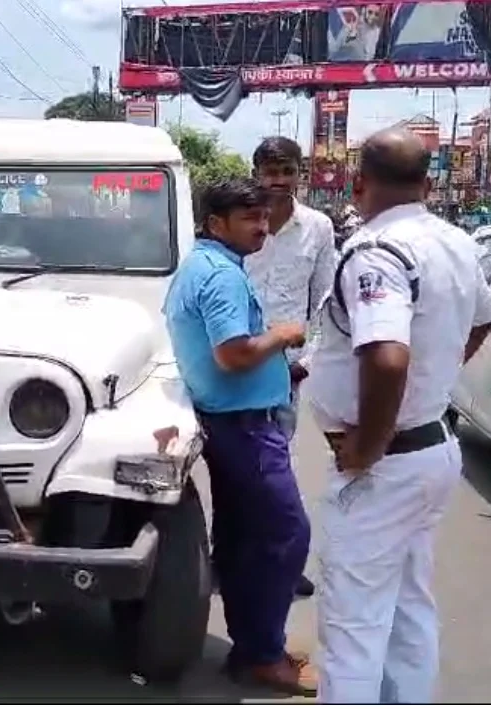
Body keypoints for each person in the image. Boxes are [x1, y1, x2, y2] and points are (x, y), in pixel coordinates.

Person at [305, 128, 491, 703]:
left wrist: (367, 444)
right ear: (427, 183)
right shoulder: (455, 242)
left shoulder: (377, 253)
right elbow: (484, 319)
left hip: (386, 467)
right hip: (431, 451)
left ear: (359, 183)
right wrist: (435, 375)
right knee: (409, 609)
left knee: (353, 632)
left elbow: (387, 360)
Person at [164, 178, 315, 696]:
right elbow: (233, 355)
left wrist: (279, 369)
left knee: (242, 537)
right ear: (215, 224)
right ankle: (262, 655)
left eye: (265, 217)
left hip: (233, 421)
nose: (263, 227)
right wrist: (283, 335)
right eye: (250, 219)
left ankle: (250, 645)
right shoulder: (220, 276)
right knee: (284, 535)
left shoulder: (206, 265)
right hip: (245, 429)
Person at [246, 136, 336, 599]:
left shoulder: (318, 228)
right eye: (270, 171)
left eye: (287, 172)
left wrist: (307, 362)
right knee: (230, 467)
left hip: (287, 373)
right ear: (256, 171)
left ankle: (282, 562)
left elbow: (325, 303)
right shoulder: (241, 222)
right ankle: (231, 560)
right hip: (235, 366)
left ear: (300, 174)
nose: (277, 182)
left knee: (277, 468)